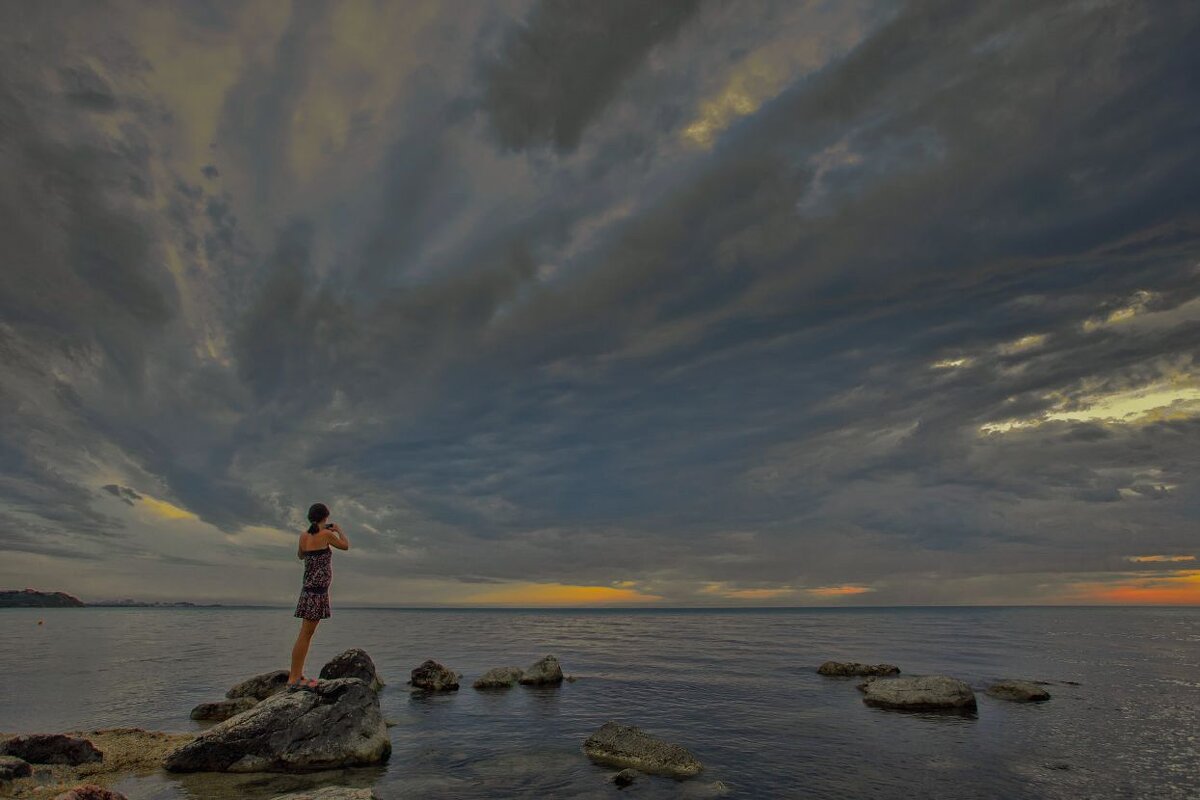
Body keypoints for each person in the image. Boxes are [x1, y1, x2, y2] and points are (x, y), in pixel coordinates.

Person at [287, 502, 349, 690]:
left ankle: (296, 675)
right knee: (306, 634)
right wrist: (338, 530)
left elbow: (300, 555)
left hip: (308, 589)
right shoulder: (326, 535)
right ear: (325, 518)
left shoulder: (304, 536)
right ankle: (294, 678)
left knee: (305, 633)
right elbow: (345, 546)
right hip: (317, 591)